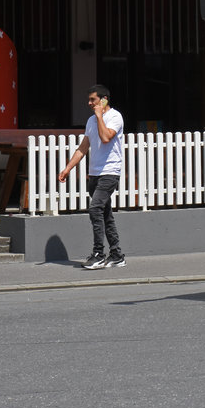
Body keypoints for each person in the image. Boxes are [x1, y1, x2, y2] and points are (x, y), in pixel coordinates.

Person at [58, 84, 126, 269]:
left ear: (104, 100)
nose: (89, 103)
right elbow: (83, 148)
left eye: (93, 100)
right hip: (94, 173)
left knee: (95, 208)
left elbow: (106, 138)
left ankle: (98, 254)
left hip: (110, 172)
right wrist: (67, 169)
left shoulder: (115, 117)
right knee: (105, 214)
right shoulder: (90, 121)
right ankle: (117, 254)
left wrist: (99, 117)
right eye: (89, 100)